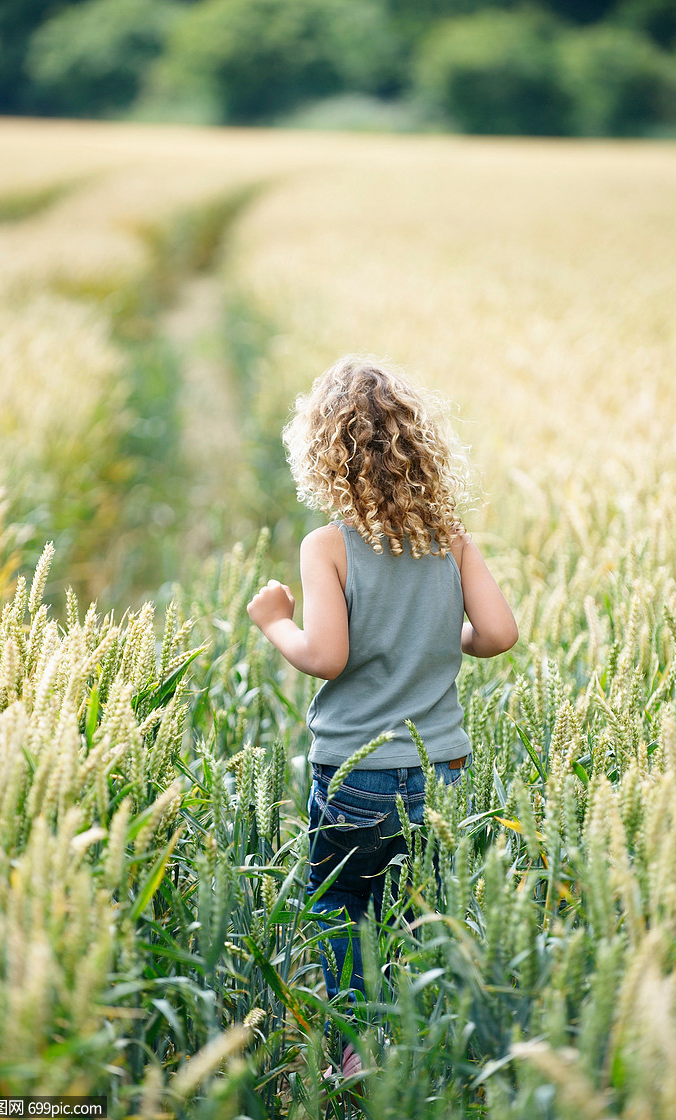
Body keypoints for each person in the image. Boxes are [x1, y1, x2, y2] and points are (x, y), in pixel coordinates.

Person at [247, 354, 518, 1080]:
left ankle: (359, 1049)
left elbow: (327, 655)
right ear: (421, 446)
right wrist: (443, 636)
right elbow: (497, 635)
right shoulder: (449, 538)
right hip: (443, 772)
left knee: (341, 904)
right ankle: (421, 1040)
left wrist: (274, 621)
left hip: (357, 774)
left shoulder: (328, 546)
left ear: (323, 454)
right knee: (416, 907)